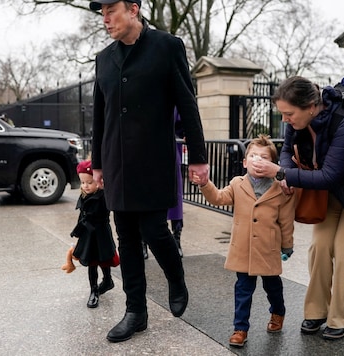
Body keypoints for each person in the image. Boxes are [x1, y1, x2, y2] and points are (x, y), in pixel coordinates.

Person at [89, 0, 209, 343]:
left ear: (134, 9)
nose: (106, 19)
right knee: (126, 236)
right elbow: (100, 115)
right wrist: (97, 162)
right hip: (115, 162)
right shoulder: (103, 58)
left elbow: (187, 102)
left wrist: (197, 155)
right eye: (102, 13)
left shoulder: (167, 47)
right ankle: (135, 312)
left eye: (112, 10)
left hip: (154, 158)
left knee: (155, 230)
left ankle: (176, 276)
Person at [250, 76, 344, 340]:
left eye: (289, 113)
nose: (285, 120)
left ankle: (339, 318)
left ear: (311, 106)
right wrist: (286, 172)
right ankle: (316, 312)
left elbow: (331, 175)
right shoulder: (298, 121)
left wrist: (282, 173)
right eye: (282, 113)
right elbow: (285, 152)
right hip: (331, 194)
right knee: (319, 247)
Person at [191, 134, 296, 347]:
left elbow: (286, 221)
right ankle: (240, 328)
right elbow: (218, 198)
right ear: (245, 162)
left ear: (272, 165)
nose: (258, 161)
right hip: (244, 250)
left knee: (272, 286)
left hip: (268, 249)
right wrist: (205, 184)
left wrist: (287, 245)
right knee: (243, 290)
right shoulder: (237, 184)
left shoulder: (281, 189)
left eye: (264, 158)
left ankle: (278, 312)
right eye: (253, 156)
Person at [69, 160, 118, 308]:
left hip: (100, 233)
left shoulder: (103, 196)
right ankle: (93, 290)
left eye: (89, 182)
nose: (85, 186)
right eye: (83, 182)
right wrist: (78, 231)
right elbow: (82, 216)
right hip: (88, 235)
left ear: (98, 180)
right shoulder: (84, 196)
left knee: (103, 259)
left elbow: (99, 214)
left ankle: (108, 280)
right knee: (91, 263)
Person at [143, 109, 185, 259]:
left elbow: (183, 120)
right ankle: (143, 241)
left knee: (175, 194)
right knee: (143, 195)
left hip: (169, 148)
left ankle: (176, 238)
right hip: (141, 149)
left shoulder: (170, 93)